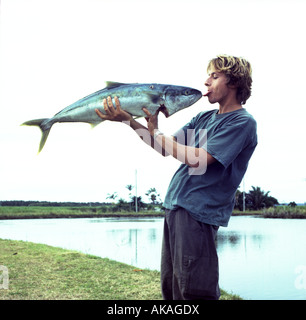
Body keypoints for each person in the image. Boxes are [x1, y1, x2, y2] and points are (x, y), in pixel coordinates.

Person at [95, 54, 257, 300]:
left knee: (194, 291)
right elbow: (163, 147)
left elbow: (199, 158)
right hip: (176, 208)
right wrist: (130, 121)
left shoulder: (242, 122)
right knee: (172, 289)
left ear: (234, 82)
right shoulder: (204, 117)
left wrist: (157, 132)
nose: (206, 82)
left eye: (214, 76)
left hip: (198, 212)